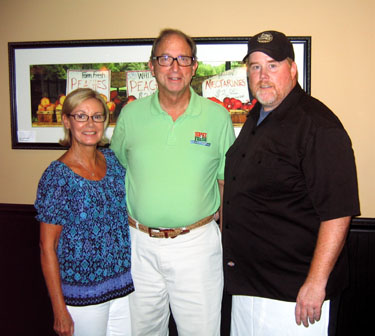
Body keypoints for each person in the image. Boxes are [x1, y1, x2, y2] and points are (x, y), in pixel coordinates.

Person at [222, 30, 360, 336]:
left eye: (273, 65)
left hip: (293, 296)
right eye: (255, 67)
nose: (263, 75)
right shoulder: (257, 117)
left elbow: (338, 212)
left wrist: (315, 282)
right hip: (250, 286)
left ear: (292, 69)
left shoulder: (318, 126)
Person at [110, 28, 235, 336]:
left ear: (194, 67)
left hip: (197, 246)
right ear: (152, 66)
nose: (175, 67)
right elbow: (119, 170)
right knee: (142, 331)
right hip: (138, 245)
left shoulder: (218, 117)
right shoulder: (130, 115)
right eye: (165, 58)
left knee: (201, 331)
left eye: (183, 59)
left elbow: (225, 184)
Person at [35, 88, 134, 336]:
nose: (90, 124)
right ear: (67, 121)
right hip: (82, 298)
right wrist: (59, 309)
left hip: (125, 290)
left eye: (97, 116)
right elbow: (47, 246)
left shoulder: (114, 162)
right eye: (81, 116)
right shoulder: (57, 176)